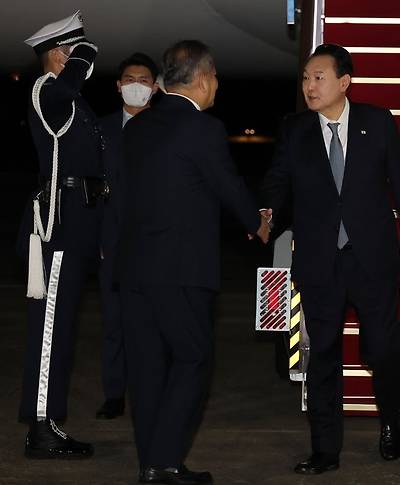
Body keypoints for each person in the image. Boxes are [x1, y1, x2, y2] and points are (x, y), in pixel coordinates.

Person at [261, 44, 400, 474]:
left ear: (344, 82)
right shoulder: (295, 128)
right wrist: (263, 218)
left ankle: (389, 422)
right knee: (323, 355)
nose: (309, 86)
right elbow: (277, 183)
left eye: (318, 77)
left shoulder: (377, 121)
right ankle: (325, 449)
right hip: (319, 260)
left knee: (383, 348)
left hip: (371, 258)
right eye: (305, 78)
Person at [117, 40, 270, 484]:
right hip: (181, 270)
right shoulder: (201, 127)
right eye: (215, 76)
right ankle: (164, 462)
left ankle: (151, 463)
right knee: (193, 359)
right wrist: (257, 223)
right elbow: (228, 186)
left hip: (135, 268)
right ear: (201, 78)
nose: (217, 84)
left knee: (146, 370)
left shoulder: (138, 126)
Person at [18, 10, 104, 459]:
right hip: (58, 227)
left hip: (78, 223)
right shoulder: (46, 91)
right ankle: (41, 428)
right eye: (74, 51)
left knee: (62, 329)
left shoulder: (70, 99)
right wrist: (83, 54)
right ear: (58, 55)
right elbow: (66, 90)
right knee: (49, 331)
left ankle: (47, 422)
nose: (86, 62)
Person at [96, 52, 159, 420]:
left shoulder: (167, 128)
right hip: (112, 244)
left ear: (156, 87)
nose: (137, 86)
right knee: (114, 323)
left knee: (154, 324)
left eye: (144, 80)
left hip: (155, 244)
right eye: (130, 80)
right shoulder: (100, 130)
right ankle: (114, 394)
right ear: (118, 86)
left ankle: (151, 392)